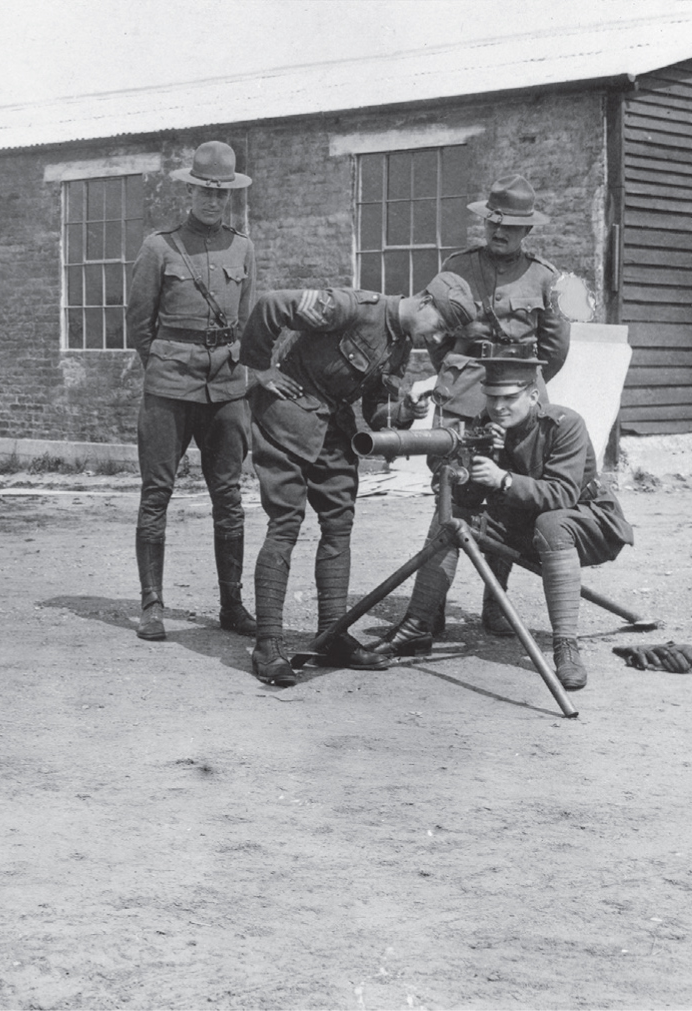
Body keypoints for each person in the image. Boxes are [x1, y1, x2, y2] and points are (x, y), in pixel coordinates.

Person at [238, 272, 480, 686]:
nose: (438, 337)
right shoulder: (352, 306)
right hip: (286, 421)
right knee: (285, 525)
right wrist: (259, 367)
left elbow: (374, 413)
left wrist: (405, 411)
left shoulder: (400, 346)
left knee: (339, 524)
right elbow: (272, 304)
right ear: (424, 302)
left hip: (332, 428)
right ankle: (268, 643)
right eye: (439, 325)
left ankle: (331, 634)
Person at [367, 358, 634, 692]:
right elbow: (473, 496)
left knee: (552, 522)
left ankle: (566, 645)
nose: (498, 407)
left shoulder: (564, 425)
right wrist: (461, 474)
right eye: (492, 398)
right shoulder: (487, 427)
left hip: (590, 523)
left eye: (509, 398)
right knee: (453, 517)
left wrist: (504, 479)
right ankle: (417, 624)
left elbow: (563, 494)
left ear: (534, 396)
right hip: (531, 526)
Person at [428, 174, 572, 636]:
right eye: (494, 221)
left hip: (517, 400)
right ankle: (428, 609)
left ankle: (496, 604)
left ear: (527, 230)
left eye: (511, 225)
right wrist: (458, 376)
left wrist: (519, 393)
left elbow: (554, 348)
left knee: (510, 499)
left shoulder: (545, 277)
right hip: (463, 396)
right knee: (451, 494)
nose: (500, 231)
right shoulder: (456, 267)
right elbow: (436, 335)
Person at [128, 141, 257, 642]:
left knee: (228, 495)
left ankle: (232, 605)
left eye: (221, 194)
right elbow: (139, 323)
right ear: (191, 190)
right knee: (156, 493)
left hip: (226, 386)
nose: (212, 201)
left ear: (230, 198)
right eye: (205, 191)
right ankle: (152, 606)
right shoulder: (159, 247)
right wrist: (164, 365)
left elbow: (245, 321)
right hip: (169, 384)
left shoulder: (242, 248)